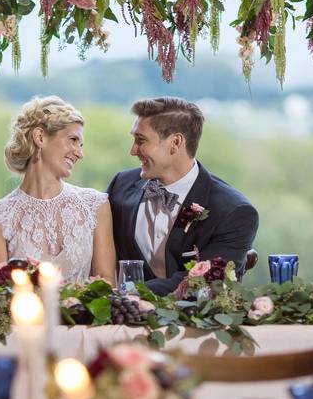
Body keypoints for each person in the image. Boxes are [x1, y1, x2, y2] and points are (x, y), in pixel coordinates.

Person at [107, 97, 259, 295]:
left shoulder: (234, 212)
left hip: (190, 322)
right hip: (121, 321)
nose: (133, 150)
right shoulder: (121, 185)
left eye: (141, 140)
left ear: (175, 142)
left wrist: (124, 294)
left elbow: (202, 283)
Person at [0, 96, 116, 283]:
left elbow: (108, 289)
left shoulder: (95, 205)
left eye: (80, 144)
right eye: (73, 140)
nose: (80, 153)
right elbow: (2, 299)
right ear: (40, 137)